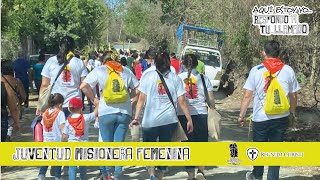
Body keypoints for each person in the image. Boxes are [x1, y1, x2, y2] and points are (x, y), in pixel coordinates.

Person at [239, 40, 300, 180]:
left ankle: (257, 175)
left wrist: (241, 115)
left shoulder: (256, 70)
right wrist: (292, 113)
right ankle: (272, 178)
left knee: (259, 149)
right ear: (279, 53)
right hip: (281, 118)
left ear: (263, 53)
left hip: (260, 118)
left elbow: (247, 95)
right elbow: (294, 95)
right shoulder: (288, 70)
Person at [130, 53, 194, 180]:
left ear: (155, 63)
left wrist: (136, 118)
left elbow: (141, 99)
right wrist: (189, 119)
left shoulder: (147, 76)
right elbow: (181, 101)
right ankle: (160, 176)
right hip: (169, 120)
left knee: (150, 149)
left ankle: (152, 174)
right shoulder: (175, 78)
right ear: (169, 63)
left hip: (150, 121)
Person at [80, 50, 139, 180]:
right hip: (124, 113)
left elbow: (83, 86)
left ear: (105, 60)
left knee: (106, 146)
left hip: (105, 112)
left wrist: (95, 100)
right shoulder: (126, 70)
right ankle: (117, 175)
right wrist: (129, 100)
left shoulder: (100, 70)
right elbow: (137, 90)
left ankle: (107, 175)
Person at [177, 54, 216, 180]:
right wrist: (213, 109)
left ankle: (191, 175)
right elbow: (211, 99)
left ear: (183, 64)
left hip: (183, 115)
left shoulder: (178, 78)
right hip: (201, 115)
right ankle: (200, 170)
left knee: (187, 146)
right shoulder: (204, 78)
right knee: (201, 144)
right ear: (196, 64)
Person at [38, 36, 88, 118]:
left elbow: (44, 85)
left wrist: (40, 105)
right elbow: (84, 85)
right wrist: (94, 100)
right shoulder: (79, 63)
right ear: (73, 48)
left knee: (57, 130)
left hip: (55, 103)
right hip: (74, 105)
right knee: (73, 130)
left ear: (59, 47)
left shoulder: (51, 61)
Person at [62, 97, 98, 180]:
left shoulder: (68, 121)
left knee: (72, 167)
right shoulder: (86, 117)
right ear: (81, 107)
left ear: (69, 108)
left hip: (72, 145)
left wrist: (63, 144)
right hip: (83, 144)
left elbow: (64, 135)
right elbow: (96, 112)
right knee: (82, 167)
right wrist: (98, 103)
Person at [38, 93, 66, 180]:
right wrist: (65, 139)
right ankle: (57, 177)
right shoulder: (60, 113)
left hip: (46, 139)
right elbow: (62, 129)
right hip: (57, 140)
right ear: (60, 104)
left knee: (46, 159)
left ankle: (41, 175)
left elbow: (42, 126)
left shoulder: (45, 113)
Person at [1, 60, 26, 141]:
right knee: (10, 124)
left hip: (3, 110)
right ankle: (8, 136)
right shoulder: (16, 81)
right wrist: (19, 102)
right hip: (12, 108)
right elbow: (23, 96)